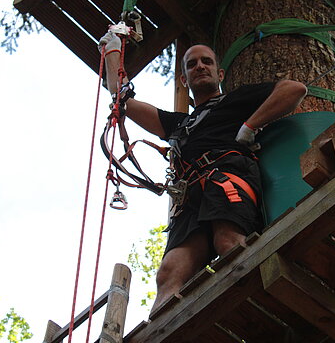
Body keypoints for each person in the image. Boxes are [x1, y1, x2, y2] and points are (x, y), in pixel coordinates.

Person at [99, 31, 307, 313]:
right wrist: (112, 52)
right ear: (184, 80)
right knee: (169, 273)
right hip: (190, 197)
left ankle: (261, 310)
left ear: (219, 74)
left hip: (225, 177)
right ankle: (164, 333)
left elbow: (293, 89)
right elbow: (121, 100)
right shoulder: (179, 124)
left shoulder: (236, 100)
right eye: (192, 64)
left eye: (206, 61)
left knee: (228, 241)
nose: (200, 66)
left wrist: (249, 126)